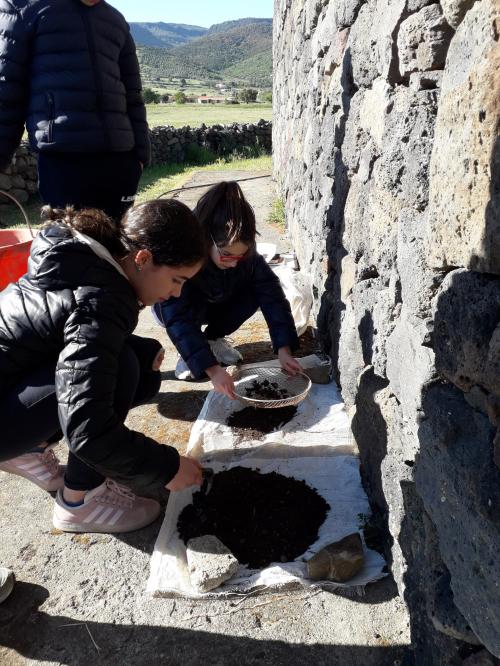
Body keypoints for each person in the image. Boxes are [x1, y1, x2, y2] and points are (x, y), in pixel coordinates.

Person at [0, 199, 205, 533]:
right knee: (123, 366)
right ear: (143, 258)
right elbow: (87, 429)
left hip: (8, 385)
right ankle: (80, 502)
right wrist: (166, 467)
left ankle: (30, 449)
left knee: (135, 359)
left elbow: (61, 327)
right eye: (176, 280)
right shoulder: (102, 298)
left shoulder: (84, 260)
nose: (177, 294)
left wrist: (138, 345)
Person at [0, 0, 149, 222]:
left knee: (119, 249)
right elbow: (7, 90)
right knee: (70, 249)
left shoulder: (115, 20)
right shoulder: (23, 8)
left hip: (121, 162)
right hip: (63, 162)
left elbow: (133, 95)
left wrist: (140, 156)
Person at [153, 181, 302, 399]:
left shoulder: (249, 259)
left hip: (218, 298)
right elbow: (178, 317)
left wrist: (284, 349)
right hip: (179, 309)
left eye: (239, 256)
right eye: (226, 255)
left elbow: (273, 299)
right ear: (207, 239)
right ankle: (191, 354)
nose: (233, 263)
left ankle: (212, 339)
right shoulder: (185, 255)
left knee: (257, 290)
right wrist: (212, 370)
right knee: (185, 300)